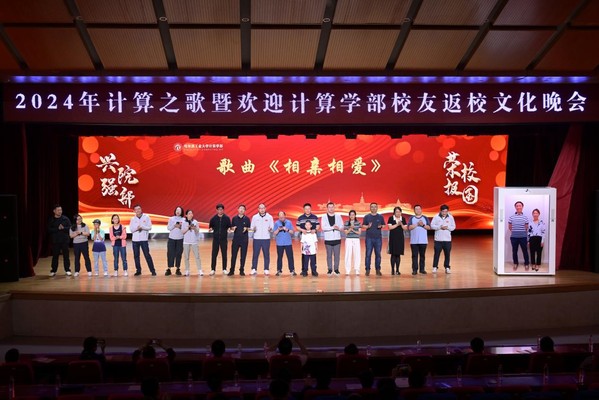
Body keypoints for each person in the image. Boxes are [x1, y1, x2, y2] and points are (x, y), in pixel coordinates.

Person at [129, 204, 157, 276]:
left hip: (144, 239)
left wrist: (142, 227)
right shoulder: (133, 219)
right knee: (136, 256)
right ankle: (138, 270)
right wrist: (137, 228)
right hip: (135, 240)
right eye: (136, 209)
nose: (138, 210)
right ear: (134, 211)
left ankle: (152, 270)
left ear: (141, 209)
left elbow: (149, 227)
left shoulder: (146, 217)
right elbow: (131, 230)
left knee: (147, 255)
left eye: (139, 209)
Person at [430, 204, 456, 274]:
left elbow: (453, 227)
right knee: (436, 254)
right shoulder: (436, 217)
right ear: (440, 211)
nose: (444, 213)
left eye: (446, 211)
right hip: (438, 240)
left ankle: (447, 267)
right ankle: (435, 267)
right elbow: (432, 226)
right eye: (443, 211)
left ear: (448, 211)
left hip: (447, 240)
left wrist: (447, 227)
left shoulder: (450, 217)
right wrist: (439, 227)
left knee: (447, 254)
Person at [47, 204, 72, 276]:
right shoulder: (51, 220)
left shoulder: (65, 219)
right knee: (55, 256)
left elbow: (70, 228)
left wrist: (63, 228)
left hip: (64, 240)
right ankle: (53, 271)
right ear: (54, 211)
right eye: (58, 210)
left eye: (60, 210)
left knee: (66, 256)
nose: (60, 211)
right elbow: (49, 229)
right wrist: (57, 228)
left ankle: (67, 270)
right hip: (55, 241)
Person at [362, 203, 386, 276]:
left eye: (375, 207)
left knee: (378, 254)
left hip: (378, 238)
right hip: (369, 238)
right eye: (372, 207)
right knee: (368, 254)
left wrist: (381, 226)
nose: (373, 208)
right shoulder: (367, 216)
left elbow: (384, 225)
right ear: (370, 208)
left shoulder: (380, 216)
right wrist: (367, 226)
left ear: (377, 208)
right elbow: (363, 225)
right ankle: (367, 269)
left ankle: (378, 269)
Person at [297, 203, 320, 275]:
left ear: (311, 209)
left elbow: (318, 226)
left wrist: (315, 230)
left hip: (312, 237)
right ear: (304, 209)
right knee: (304, 256)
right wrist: (302, 230)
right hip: (304, 237)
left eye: (309, 208)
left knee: (313, 257)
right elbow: (297, 226)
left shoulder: (315, 217)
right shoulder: (300, 218)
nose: (307, 210)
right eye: (306, 209)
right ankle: (304, 270)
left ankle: (314, 270)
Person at [250, 203, 274, 275]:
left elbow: (272, 227)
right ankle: (254, 268)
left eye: (263, 208)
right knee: (255, 254)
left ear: (265, 208)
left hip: (266, 238)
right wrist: (253, 229)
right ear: (258, 209)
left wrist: (270, 229)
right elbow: (251, 227)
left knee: (266, 254)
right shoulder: (255, 217)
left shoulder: (269, 217)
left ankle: (266, 269)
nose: (262, 209)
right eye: (260, 208)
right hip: (257, 238)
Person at [321, 202, 344, 276]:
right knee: (329, 255)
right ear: (327, 208)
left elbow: (342, 226)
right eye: (329, 207)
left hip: (337, 238)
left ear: (334, 208)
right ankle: (330, 269)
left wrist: (338, 228)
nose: (331, 208)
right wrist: (332, 227)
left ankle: (336, 269)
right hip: (328, 239)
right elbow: (323, 227)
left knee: (337, 255)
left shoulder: (338, 216)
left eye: (332, 207)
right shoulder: (324, 216)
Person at [209, 203, 231, 275]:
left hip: (223, 239)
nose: (220, 211)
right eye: (219, 209)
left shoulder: (227, 218)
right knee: (214, 254)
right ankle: (213, 269)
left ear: (223, 210)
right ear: (216, 210)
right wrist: (211, 229)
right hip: (215, 239)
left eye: (221, 209)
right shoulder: (213, 219)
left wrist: (229, 229)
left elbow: (229, 226)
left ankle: (224, 269)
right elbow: (211, 227)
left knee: (224, 254)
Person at [229, 204, 251, 276]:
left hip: (244, 240)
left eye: (243, 209)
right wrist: (232, 228)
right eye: (240, 208)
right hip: (236, 240)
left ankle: (241, 270)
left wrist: (246, 228)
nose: (241, 210)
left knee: (243, 255)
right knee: (233, 255)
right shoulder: (234, 218)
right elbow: (231, 228)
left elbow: (249, 228)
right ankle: (232, 270)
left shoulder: (247, 219)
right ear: (238, 210)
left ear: (245, 211)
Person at [408, 205, 430, 275]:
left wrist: (422, 225)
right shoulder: (412, 218)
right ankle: (414, 270)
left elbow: (429, 227)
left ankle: (422, 269)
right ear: (414, 211)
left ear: (421, 210)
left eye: (419, 209)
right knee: (414, 256)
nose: (418, 210)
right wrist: (417, 224)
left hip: (423, 241)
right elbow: (409, 227)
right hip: (414, 241)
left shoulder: (425, 218)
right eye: (416, 209)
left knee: (422, 255)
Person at [508, 201, 530, 271]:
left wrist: (521, 232)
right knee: (514, 251)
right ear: (515, 207)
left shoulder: (525, 217)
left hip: (523, 237)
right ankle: (515, 263)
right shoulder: (511, 217)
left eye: (520, 205)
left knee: (525, 251)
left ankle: (526, 264)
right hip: (514, 237)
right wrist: (516, 232)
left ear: (522, 207)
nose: (518, 207)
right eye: (517, 206)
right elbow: (510, 227)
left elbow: (526, 227)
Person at [274, 211, 296, 276]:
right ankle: (279, 270)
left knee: (290, 257)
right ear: (278, 216)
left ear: (285, 215)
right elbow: (274, 233)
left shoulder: (289, 222)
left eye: (282, 215)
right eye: (280, 216)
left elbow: (292, 232)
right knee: (279, 257)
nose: (281, 217)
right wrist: (278, 229)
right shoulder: (276, 223)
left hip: (288, 242)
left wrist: (287, 230)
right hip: (279, 243)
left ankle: (292, 270)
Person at [182, 209, 203, 276]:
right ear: (186, 215)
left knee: (197, 256)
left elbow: (197, 231)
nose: (191, 214)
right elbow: (182, 232)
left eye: (191, 213)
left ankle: (200, 270)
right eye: (189, 213)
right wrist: (188, 228)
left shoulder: (195, 221)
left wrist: (194, 228)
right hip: (186, 241)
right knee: (186, 257)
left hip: (194, 241)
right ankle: (187, 270)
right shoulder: (184, 222)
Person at [387, 207, 407, 276]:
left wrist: (401, 224)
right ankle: (392, 270)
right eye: (396, 212)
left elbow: (405, 228)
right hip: (393, 238)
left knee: (398, 254)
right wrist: (397, 224)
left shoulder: (403, 219)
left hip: (400, 238)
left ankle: (397, 270)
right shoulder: (391, 218)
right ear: (394, 213)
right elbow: (390, 227)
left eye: (399, 212)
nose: (398, 213)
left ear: (401, 212)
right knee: (393, 254)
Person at [166, 206, 185, 276]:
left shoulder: (184, 220)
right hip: (171, 238)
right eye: (177, 210)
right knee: (170, 253)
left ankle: (178, 268)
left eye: (179, 210)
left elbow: (185, 230)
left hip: (180, 239)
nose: (178, 211)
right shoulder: (171, 219)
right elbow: (168, 228)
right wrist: (174, 225)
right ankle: (169, 268)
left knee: (178, 253)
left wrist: (180, 227)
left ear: (181, 212)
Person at [344, 210, 361, 275]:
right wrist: (350, 228)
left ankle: (357, 270)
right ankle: (347, 270)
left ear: (355, 215)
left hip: (356, 239)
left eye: (353, 215)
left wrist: (353, 230)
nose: (352, 216)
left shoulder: (358, 223)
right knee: (348, 254)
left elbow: (359, 233)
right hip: (348, 239)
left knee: (357, 254)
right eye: (350, 215)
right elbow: (346, 232)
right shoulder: (346, 223)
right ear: (349, 216)